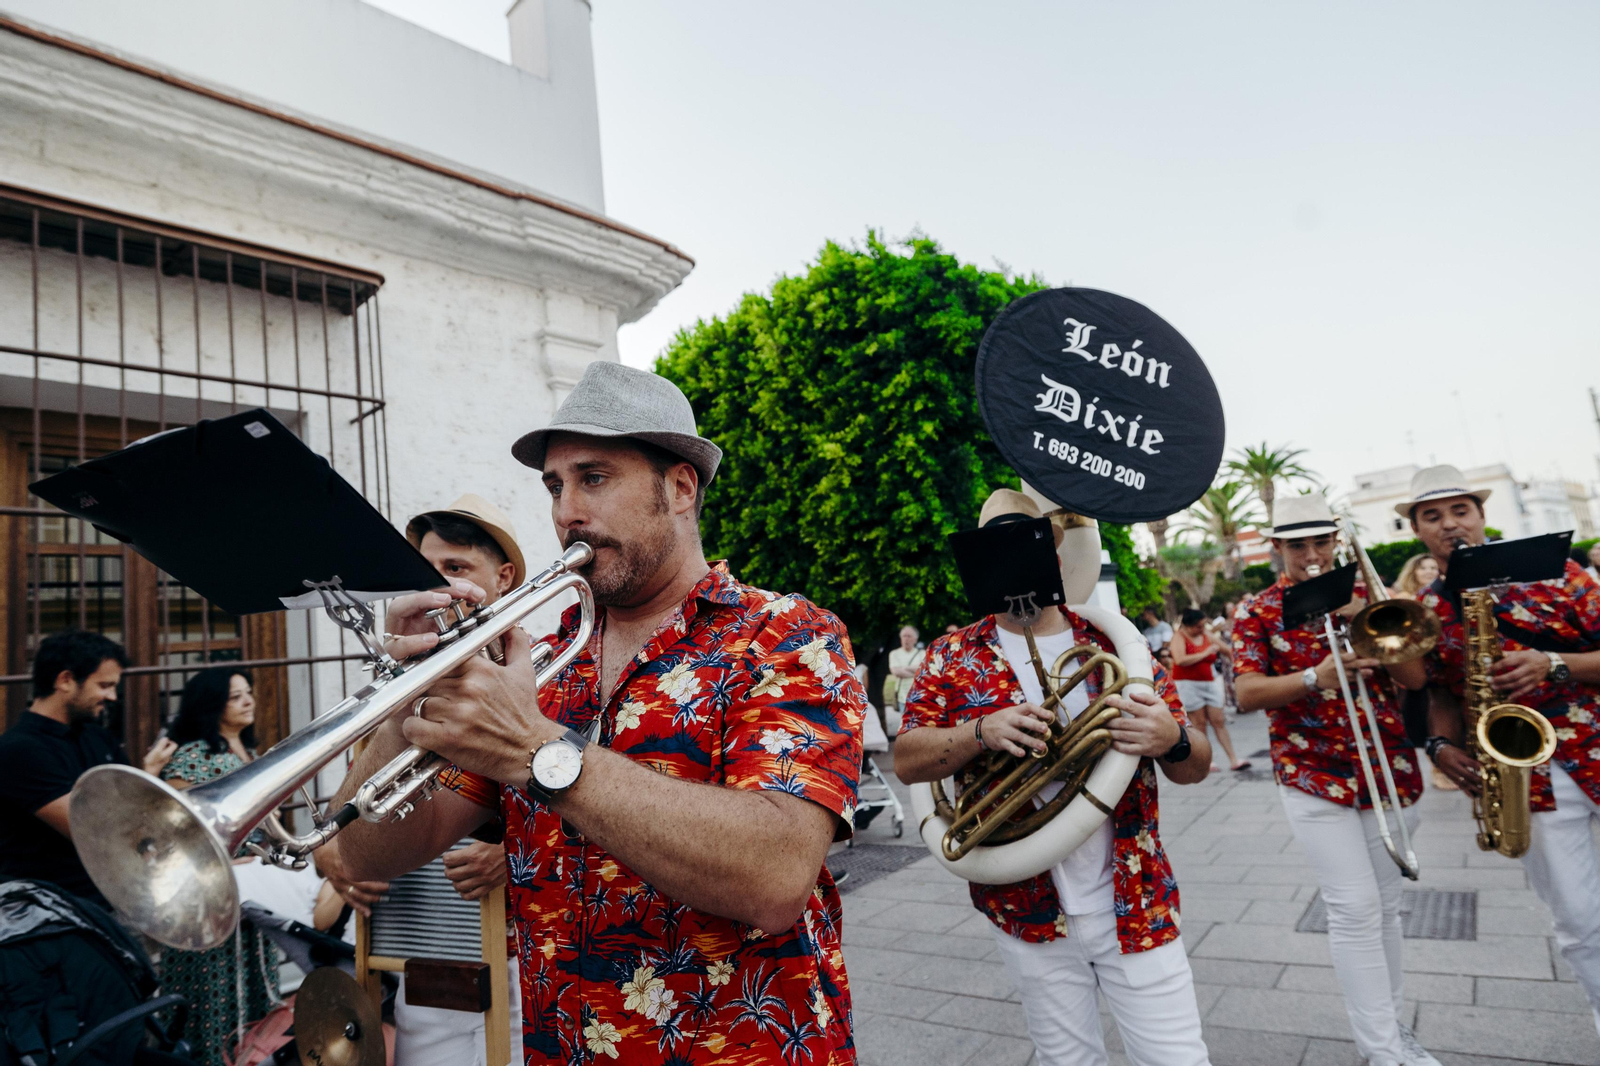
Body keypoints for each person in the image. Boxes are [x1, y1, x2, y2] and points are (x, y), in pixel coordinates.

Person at [326, 360, 864, 1064]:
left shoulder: (786, 634)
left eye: (595, 478)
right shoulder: (543, 667)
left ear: (678, 488)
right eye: (555, 486)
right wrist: (407, 696)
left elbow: (775, 879)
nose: (565, 511)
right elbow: (366, 854)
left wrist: (537, 754)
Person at [896, 489, 1214, 1066]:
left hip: (1135, 897)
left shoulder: (1115, 643)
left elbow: (1197, 767)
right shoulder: (950, 655)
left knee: (1178, 1058)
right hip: (1026, 906)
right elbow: (908, 759)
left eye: (1027, 541)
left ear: (1053, 548)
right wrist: (980, 732)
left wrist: (1175, 738)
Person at [1231, 493, 1437, 1066]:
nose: (1313, 554)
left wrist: (1363, 619)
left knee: (1388, 906)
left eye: (1322, 541)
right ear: (1278, 549)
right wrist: (1312, 677)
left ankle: (1393, 1032)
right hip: (1312, 774)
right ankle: (1381, 1050)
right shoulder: (1257, 610)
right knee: (1352, 908)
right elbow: (1245, 694)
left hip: (1386, 767)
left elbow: (1416, 677)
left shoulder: (1372, 600)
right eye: (1299, 545)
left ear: (1336, 541)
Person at [1403, 465, 1600, 1042]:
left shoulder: (1558, 573)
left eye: (1460, 511)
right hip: (1527, 774)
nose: (1450, 525)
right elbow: (1437, 687)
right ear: (1417, 531)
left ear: (1482, 516)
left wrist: (1554, 662)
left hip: (1593, 741)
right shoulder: (1428, 608)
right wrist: (1439, 744)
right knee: (1579, 921)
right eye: (1433, 516)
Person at [388, 493, 530, 1064]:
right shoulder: (397, 677)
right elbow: (355, 813)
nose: (439, 585)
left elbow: (604, 799)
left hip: (525, 960)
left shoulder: (546, 669)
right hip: (424, 963)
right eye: (429, 571)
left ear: (504, 576)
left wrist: (512, 855)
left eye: (456, 568)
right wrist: (344, 864)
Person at [0, 629, 174, 908]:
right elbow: (95, 829)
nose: (113, 696)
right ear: (66, 680)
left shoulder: (97, 736)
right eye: (104, 685)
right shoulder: (19, 750)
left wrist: (148, 775)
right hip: (54, 911)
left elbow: (130, 806)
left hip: (115, 899)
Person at [158, 666, 279, 1066]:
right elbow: (177, 830)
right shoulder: (193, 756)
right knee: (214, 988)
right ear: (212, 704)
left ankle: (252, 1053)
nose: (248, 701)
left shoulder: (250, 750)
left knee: (255, 974)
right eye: (236, 696)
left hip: (255, 886)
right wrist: (229, 860)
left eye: (249, 692)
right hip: (210, 893)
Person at [1172, 608, 1249, 773]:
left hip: (1208, 682)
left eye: (1202, 625)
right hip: (1188, 684)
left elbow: (1227, 650)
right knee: (1199, 723)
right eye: (1197, 627)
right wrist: (1205, 653)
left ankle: (1233, 759)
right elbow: (1180, 660)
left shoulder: (1206, 635)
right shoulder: (1179, 637)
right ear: (1187, 625)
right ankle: (1206, 761)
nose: (1201, 629)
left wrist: (1239, 670)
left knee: (1218, 720)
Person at [885, 624, 924, 728]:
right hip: (903, 696)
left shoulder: (922, 654)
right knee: (906, 725)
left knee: (920, 725)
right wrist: (915, 670)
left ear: (915, 639)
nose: (906, 639)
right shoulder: (894, 654)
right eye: (904, 636)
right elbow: (896, 671)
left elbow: (923, 670)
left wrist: (904, 668)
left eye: (909, 636)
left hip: (920, 696)